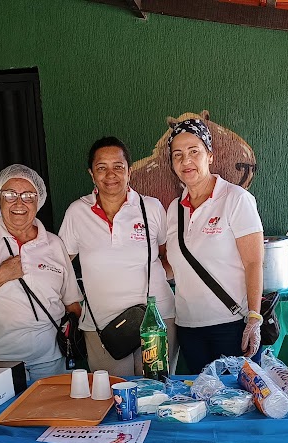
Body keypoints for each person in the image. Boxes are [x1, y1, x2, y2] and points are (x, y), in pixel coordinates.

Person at [59, 137, 177, 377]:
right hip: (101, 325)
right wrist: (72, 300)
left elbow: (171, 256)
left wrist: (152, 274)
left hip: (157, 319)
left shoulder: (151, 208)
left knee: (157, 393)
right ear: (92, 174)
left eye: (118, 166)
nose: (110, 174)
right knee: (113, 397)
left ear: (129, 171)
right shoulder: (77, 212)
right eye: (101, 167)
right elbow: (60, 265)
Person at [0, 165, 82, 383]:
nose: (19, 203)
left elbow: (72, 305)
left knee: (50, 416)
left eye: (28, 195)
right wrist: (1, 275)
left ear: (38, 201)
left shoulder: (54, 244)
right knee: (5, 417)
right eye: (10, 194)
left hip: (50, 361)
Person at [164, 119, 265, 374]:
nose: (186, 160)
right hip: (188, 327)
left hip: (231, 325)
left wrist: (254, 316)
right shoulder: (173, 209)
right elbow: (173, 265)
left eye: (194, 151)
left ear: (210, 156)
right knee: (201, 403)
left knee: (237, 405)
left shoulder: (236, 199)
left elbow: (253, 262)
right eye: (178, 155)